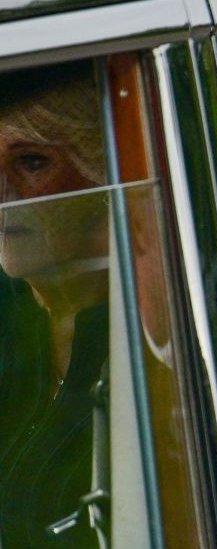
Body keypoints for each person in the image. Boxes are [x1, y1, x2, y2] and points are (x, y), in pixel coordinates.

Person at [0, 61, 111, 547]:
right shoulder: (10, 318)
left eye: (30, 162)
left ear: (101, 176)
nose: (1, 194)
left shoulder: (166, 327)